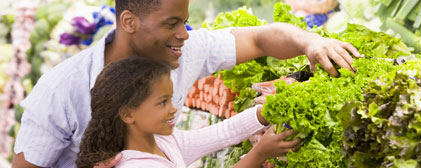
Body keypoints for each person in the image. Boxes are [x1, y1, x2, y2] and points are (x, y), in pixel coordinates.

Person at [12, 0, 360, 167]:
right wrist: (258, 154)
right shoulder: (60, 90)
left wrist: (310, 43)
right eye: (171, 23)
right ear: (129, 21)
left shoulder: (159, 139)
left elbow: (259, 39)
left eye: (186, 22)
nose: (184, 35)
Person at [76, 56, 300, 168]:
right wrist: (258, 154)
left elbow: (223, 132)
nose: (174, 109)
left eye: (171, 99)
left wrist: (265, 111)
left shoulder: (160, 143)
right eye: (162, 102)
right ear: (127, 114)